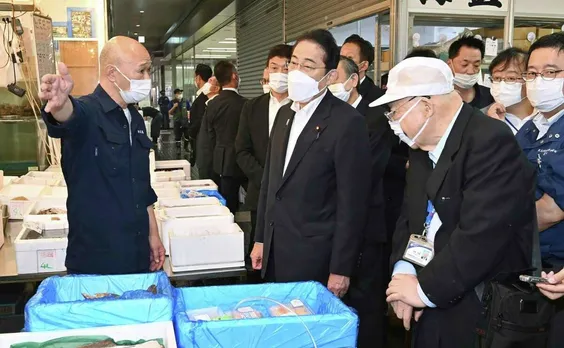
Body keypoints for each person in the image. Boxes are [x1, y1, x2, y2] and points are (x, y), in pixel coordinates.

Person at [376, 57, 535, 347]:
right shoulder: (422, 144)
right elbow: (410, 217)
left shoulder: (489, 140)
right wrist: (404, 273)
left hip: (477, 305)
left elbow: (482, 234)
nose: (392, 122)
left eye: (394, 111)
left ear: (425, 106)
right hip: (430, 293)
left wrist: (422, 291)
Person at [250, 29, 371, 298]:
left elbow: (352, 204)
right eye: (294, 62)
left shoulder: (347, 123)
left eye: (308, 66)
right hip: (274, 251)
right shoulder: (284, 115)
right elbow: (271, 182)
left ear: (329, 76)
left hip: (315, 257)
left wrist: (341, 268)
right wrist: (260, 239)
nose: (296, 71)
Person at [38, 36, 165, 275]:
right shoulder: (88, 112)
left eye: (149, 71)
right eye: (142, 71)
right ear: (112, 73)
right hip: (96, 259)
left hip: (137, 253)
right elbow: (68, 116)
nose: (148, 79)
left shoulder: (135, 119)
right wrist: (60, 104)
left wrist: (153, 234)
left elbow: (142, 186)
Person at [329, 55, 392, 347]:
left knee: (366, 303)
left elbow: (366, 173)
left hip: (366, 224)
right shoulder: (326, 115)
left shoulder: (375, 117)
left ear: (353, 80)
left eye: (335, 77)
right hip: (332, 227)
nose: (330, 84)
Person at [515, 33, 564, 348]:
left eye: (551, 73)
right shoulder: (530, 127)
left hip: (557, 272)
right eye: (531, 73)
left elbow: (552, 209)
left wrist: (494, 221)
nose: (538, 81)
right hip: (526, 265)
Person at [235, 44, 292, 262]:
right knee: (258, 252)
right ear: (266, 71)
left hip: (293, 195)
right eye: (273, 67)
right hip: (260, 192)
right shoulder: (252, 107)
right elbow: (241, 150)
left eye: (285, 68)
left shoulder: (301, 106)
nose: (279, 74)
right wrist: (265, 180)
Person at [201, 61, 246, 213]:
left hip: (221, 161)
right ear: (234, 76)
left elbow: (209, 136)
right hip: (245, 160)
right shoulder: (247, 104)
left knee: (227, 203)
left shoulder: (212, 105)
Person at [486, 48, 536, 135]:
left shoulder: (545, 115)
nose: (502, 84)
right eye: (497, 78)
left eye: (511, 78)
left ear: (530, 78)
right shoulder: (482, 118)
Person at [447, 35, 494, 109]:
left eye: (476, 65)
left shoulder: (490, 97)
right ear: (450, 64)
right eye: (464, 65)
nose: (471, 71)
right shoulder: (438, 97)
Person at [341, 34, 385, 103]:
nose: (341, 63)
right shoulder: (331, 87)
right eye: (340, 57)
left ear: (364, 65)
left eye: (349, 58)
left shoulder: (376, 98)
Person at [186, 64, 212, 166]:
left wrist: (190, 131)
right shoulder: (208, 95)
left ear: (198, 78)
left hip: (204, 146)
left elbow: (200, 120)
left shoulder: (204, 97)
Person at [197, 76, 220, 180]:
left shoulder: (216, 106)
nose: (207, 83)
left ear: (216, 88)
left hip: (211, 163)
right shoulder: (208, 104)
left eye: (210, 81)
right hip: (205, 160)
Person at [169, 88, 188, 153]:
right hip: (177, 121)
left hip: (185, 121)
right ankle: (178, 149)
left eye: (180, 93)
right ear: (175, 94)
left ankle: (186, 148)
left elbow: (189, 110)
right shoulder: (172, 102)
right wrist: (174, 107)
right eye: (178, 93)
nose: (180, 94)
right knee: (177, 136)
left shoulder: (185, 101)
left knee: (187, 135)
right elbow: (170, 112)